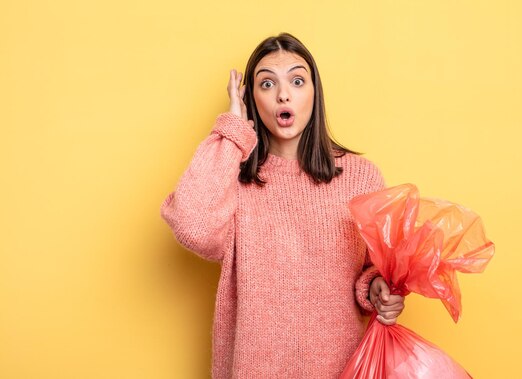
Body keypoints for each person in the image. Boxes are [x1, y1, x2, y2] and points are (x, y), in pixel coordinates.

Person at [161, 33, 405, 378]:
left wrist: (377, 289)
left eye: (297, 80)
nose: (283, 94)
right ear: (252, 100)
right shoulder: (232, 178)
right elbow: (192, 226)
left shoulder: (360, 177)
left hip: (340, 369)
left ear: (314, 93)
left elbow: (373, 269)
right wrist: (232, 130)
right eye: (266, 84)